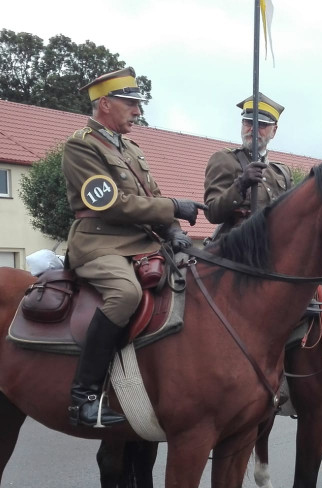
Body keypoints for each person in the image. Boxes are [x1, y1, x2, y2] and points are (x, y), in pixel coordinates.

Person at [63, 67, 203, 427]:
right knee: (125, 294)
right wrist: (174, 207)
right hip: (99, 243)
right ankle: (84, 398)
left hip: (143, 243)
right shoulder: (81, 146)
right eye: (131, 104)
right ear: (105, 104)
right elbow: (111, 204)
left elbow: (152, 197)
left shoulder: (131, 149)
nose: (138, 111)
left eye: (138, 104)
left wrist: (173, 230)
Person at [203, 92, 292, 244]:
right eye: (248, 122)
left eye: (261, 124)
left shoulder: (282, 172)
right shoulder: (224, 160)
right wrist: (240, 185)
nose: (253, 129)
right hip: (235, 248)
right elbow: (212, 213)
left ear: (274, 131)